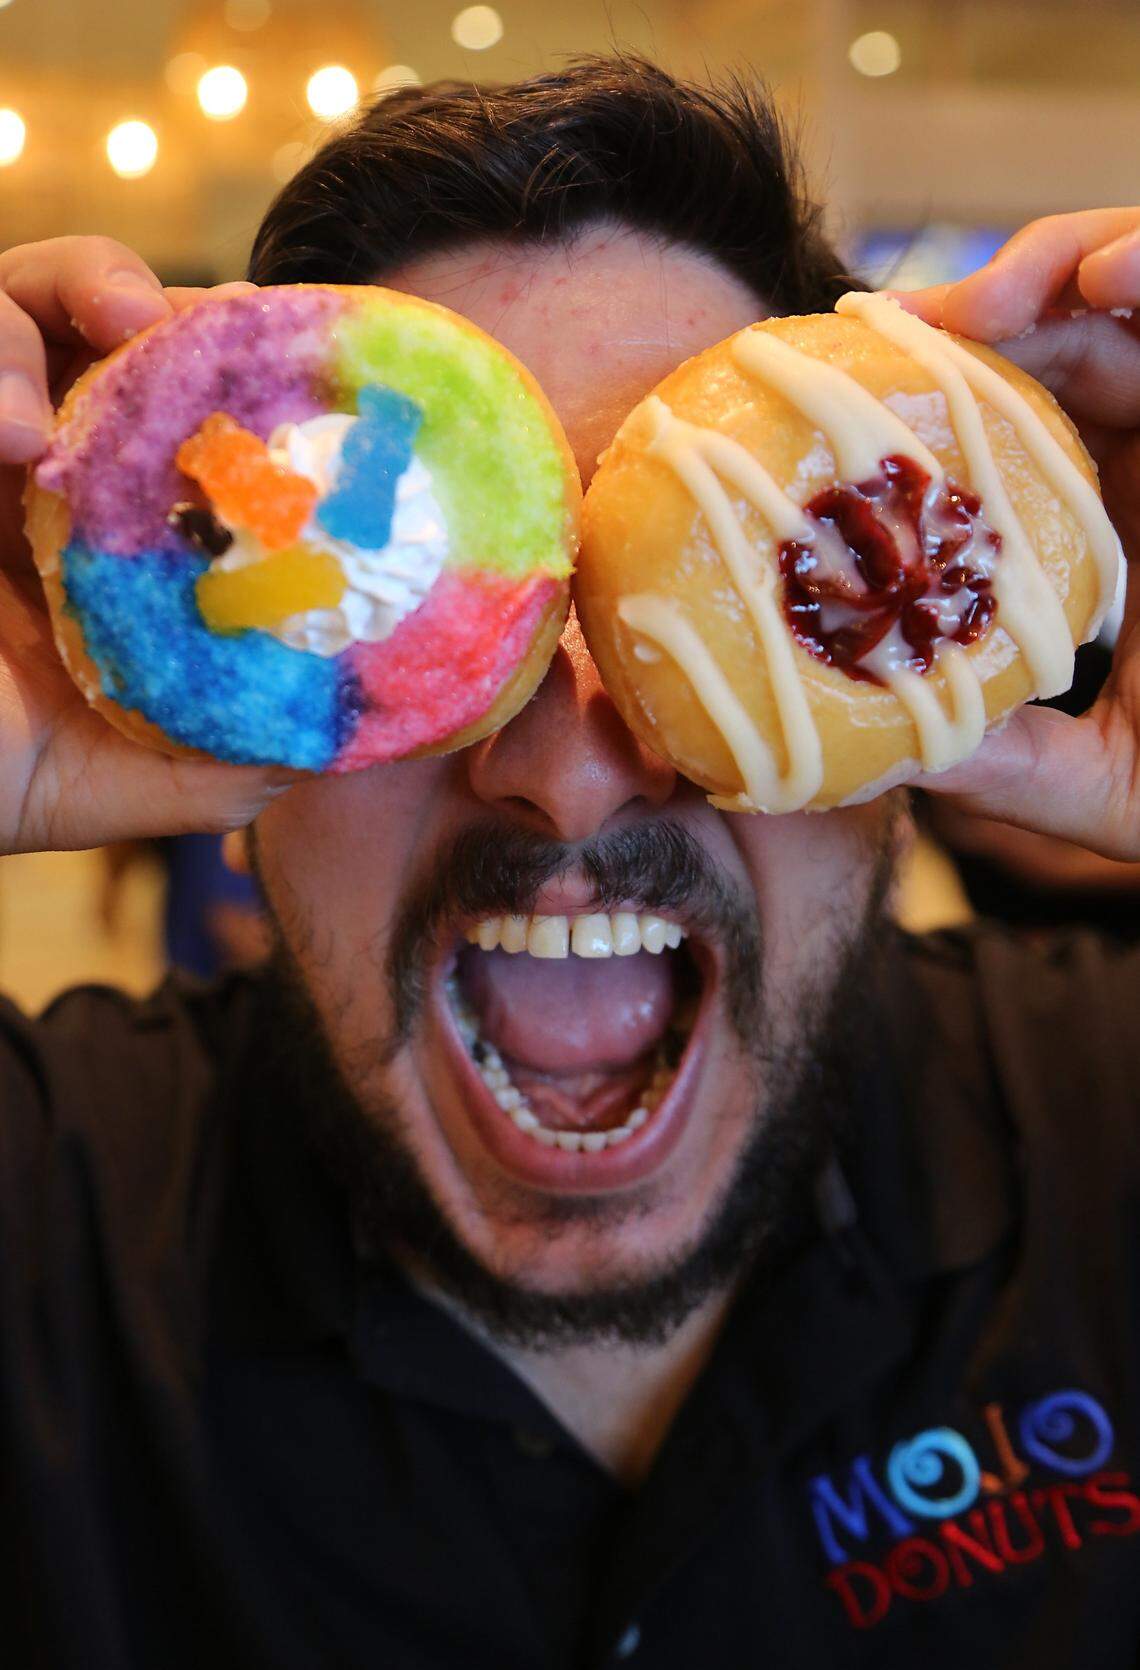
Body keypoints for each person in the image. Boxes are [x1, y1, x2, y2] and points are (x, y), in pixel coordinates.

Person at [1, 54, 1139, 1669]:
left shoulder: (1106, 1115)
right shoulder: (47, 1224)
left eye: (708, 602)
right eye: (433, 607)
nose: (570, 768)